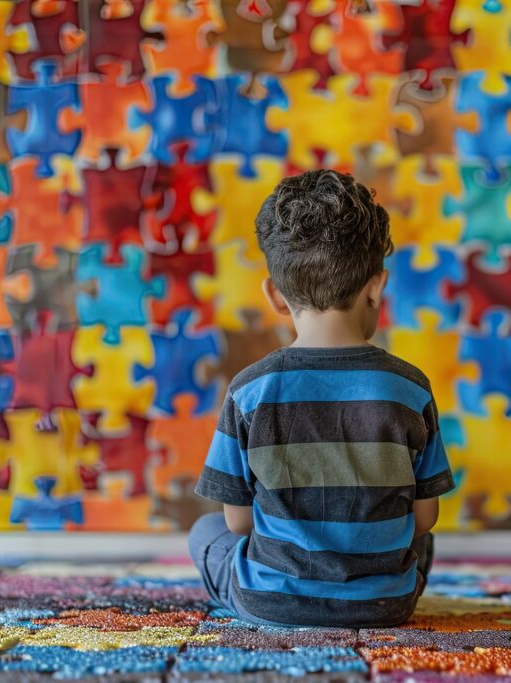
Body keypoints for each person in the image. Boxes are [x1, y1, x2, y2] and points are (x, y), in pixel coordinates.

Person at [188, 169, 455, 627]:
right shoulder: (410, 387)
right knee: (419, 541)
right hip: (385, 605)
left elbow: (237, 524)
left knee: (204, 532)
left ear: (274, 295)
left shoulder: (249, 390)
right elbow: (425, 516)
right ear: (376, 287)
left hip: (270, 600)